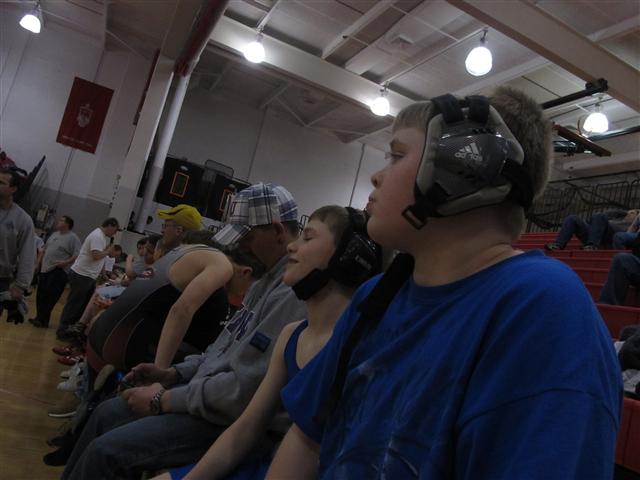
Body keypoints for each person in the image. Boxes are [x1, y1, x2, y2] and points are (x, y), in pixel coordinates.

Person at [266, 88, 622, 479]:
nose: (376, 176)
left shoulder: (543, 307)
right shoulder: (378, 295)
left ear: (465, 170)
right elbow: (307, 439)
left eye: (397, 155)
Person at [62, 183, 306, 480]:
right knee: (105, 413)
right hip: (206, 397)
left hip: (229, 419)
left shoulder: (291, 295)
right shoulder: (263, 284)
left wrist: (163, 399)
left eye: (247, 238)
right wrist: (173, 373)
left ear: (277, 231)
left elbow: (243, 392)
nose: (240, 247)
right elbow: (219, 352)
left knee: (106, 452)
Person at [154, 206, 381, 480]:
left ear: (349, 258)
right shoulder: (291, 334)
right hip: (262, 458)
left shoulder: (354, 349)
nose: (292, 247)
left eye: (308, 238)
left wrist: (165, 397)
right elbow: (243, 430)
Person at [56, 218, 119, 340]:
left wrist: (103, 271)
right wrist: (108, 251)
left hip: (87, 276)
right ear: (110, 226)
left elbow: (98, 257)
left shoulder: (100, 236)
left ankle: (72, 329)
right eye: (115, 230)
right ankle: (62, 330)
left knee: (82, 305)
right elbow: (96, 256)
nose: (115, 233)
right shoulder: (97, 236)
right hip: (82, 275)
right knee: (74, 304)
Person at [28, 216, 82, 328]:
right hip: (45, 269)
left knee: (50, 296)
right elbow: (44, 250)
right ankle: (40, 318)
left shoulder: (73, 238)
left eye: (61, 220)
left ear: (67, 224)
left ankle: (42, 319)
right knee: (41, 294)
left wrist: (65, 262)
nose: (58, 221)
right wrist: (37, 264)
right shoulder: (54, 234)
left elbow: (77, 255)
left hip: (58, 271)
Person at [0, 167, 36, 307]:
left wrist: (21, 285)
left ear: (13, 189)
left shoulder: (23, 220)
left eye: (1, 183)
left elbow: (28, 254)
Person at [544, 208, 639, 251]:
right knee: (572, 218)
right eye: (633, 212)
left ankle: (592, 246)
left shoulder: (632, 226)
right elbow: (607, 213)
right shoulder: (617, 218)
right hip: (594, 232)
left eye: (636, 213)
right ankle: (558, 245)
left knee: (599, 216)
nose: (633, 213)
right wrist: (624, 212)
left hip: (609, 237)